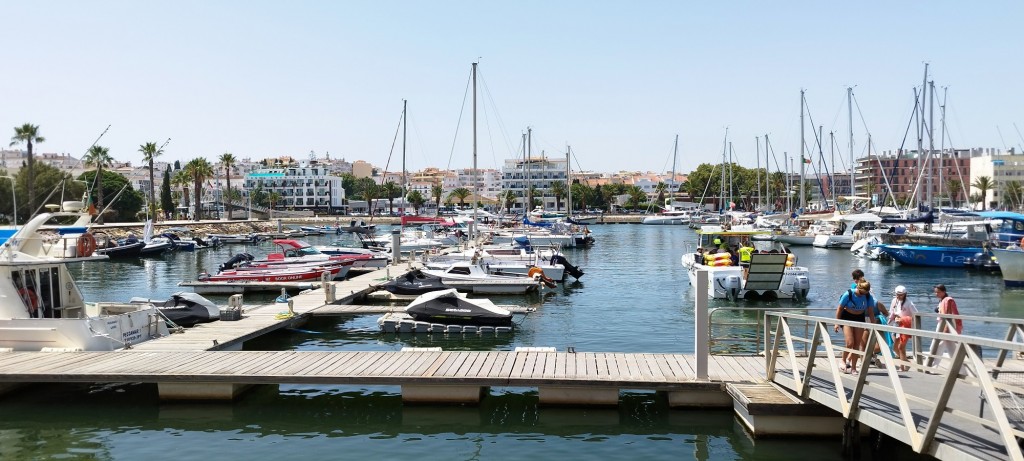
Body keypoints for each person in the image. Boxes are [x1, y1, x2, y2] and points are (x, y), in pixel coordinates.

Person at [834, 281, 877, 374]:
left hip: (859, 318)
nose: (863, 295)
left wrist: (874, 324)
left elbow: (870, 311)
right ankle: (843, 360)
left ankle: (853, 368)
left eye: (865, 293)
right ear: (859, 289)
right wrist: (836, 323)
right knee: (850, 343)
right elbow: (840, 308)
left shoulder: (868, 296)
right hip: (847, 317)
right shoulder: (849, 294)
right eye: (862, 293)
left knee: (856, 345)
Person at [931, 284, 963, 370]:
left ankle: (931, 367)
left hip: (945, 325)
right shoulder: (942, 300)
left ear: (944, 292)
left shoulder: (947, 300)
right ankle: (961, 369)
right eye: (935, 292)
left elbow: (947, 316)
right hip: (942, 324)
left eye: (938, 292)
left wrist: (945, 328)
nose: (936, 294)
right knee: (952, 348)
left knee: (937, 345)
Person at [888, 286, 917, 371]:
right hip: (896, 324)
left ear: (905, 294)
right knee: (895, 348)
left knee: (901, 347)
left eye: (901, 295)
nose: (898, 296)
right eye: (897, 294)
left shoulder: (909, 303)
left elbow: (916, 315)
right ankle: (906, 363)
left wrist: (903, 319)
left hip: (905, 325)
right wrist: (889, 322)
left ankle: (902, 367)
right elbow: (892, 312)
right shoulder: (894, 300)